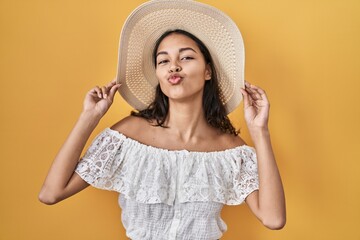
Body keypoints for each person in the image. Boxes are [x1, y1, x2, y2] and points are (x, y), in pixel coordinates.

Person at [39, 1, 286, 239]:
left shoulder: (231, 151)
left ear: (207, 71)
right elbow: (51, 193)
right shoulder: (127, 136)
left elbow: (273, 219)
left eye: (186, 57)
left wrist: (260, 131)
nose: (173, 67)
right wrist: (88, 118)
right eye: (163, 60)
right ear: (158, 73)